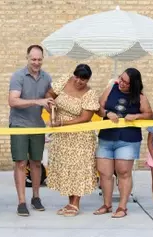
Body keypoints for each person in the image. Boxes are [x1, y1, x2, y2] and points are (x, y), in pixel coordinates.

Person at [94, 68, 153, 218]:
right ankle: (106, 204)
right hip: (106, 137)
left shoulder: (140, 97)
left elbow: (149, 114)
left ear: (133, 84)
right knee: (104, 173)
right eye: (121, 79)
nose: (121, 83)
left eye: (126, 82)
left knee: (124, 172)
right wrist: (107, 113)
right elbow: (98, 108)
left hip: (128, 140)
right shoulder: (111, 88)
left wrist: (137, 116)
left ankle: (122, 207)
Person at [45, 64, 99, 217]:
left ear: (88, 80)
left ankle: (76, 203)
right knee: (66, 169)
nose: (79, 81)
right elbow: (49, 93)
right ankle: (70, 202)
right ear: (73, 74)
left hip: (80, 137)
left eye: (83, 79)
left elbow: (85, 117)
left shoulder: (90, 94)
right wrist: (50, 105)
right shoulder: (64, 80)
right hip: (62, 137)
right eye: (77, 77)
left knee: (78, 169)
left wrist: (62, 123)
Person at [8, 45, 54, 216]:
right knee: (20, 163)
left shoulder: (47, 77)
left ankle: (36, 197)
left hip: (37, 126)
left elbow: (48, 101)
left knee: (36, 162)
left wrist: (52, 110)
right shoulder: (18, 76)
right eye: (33, 59)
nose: (36, 62)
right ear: (27, 58)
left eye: (39, 59)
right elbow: (13, 101)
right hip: (19, 125)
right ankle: (21, 201)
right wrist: (37, 102)